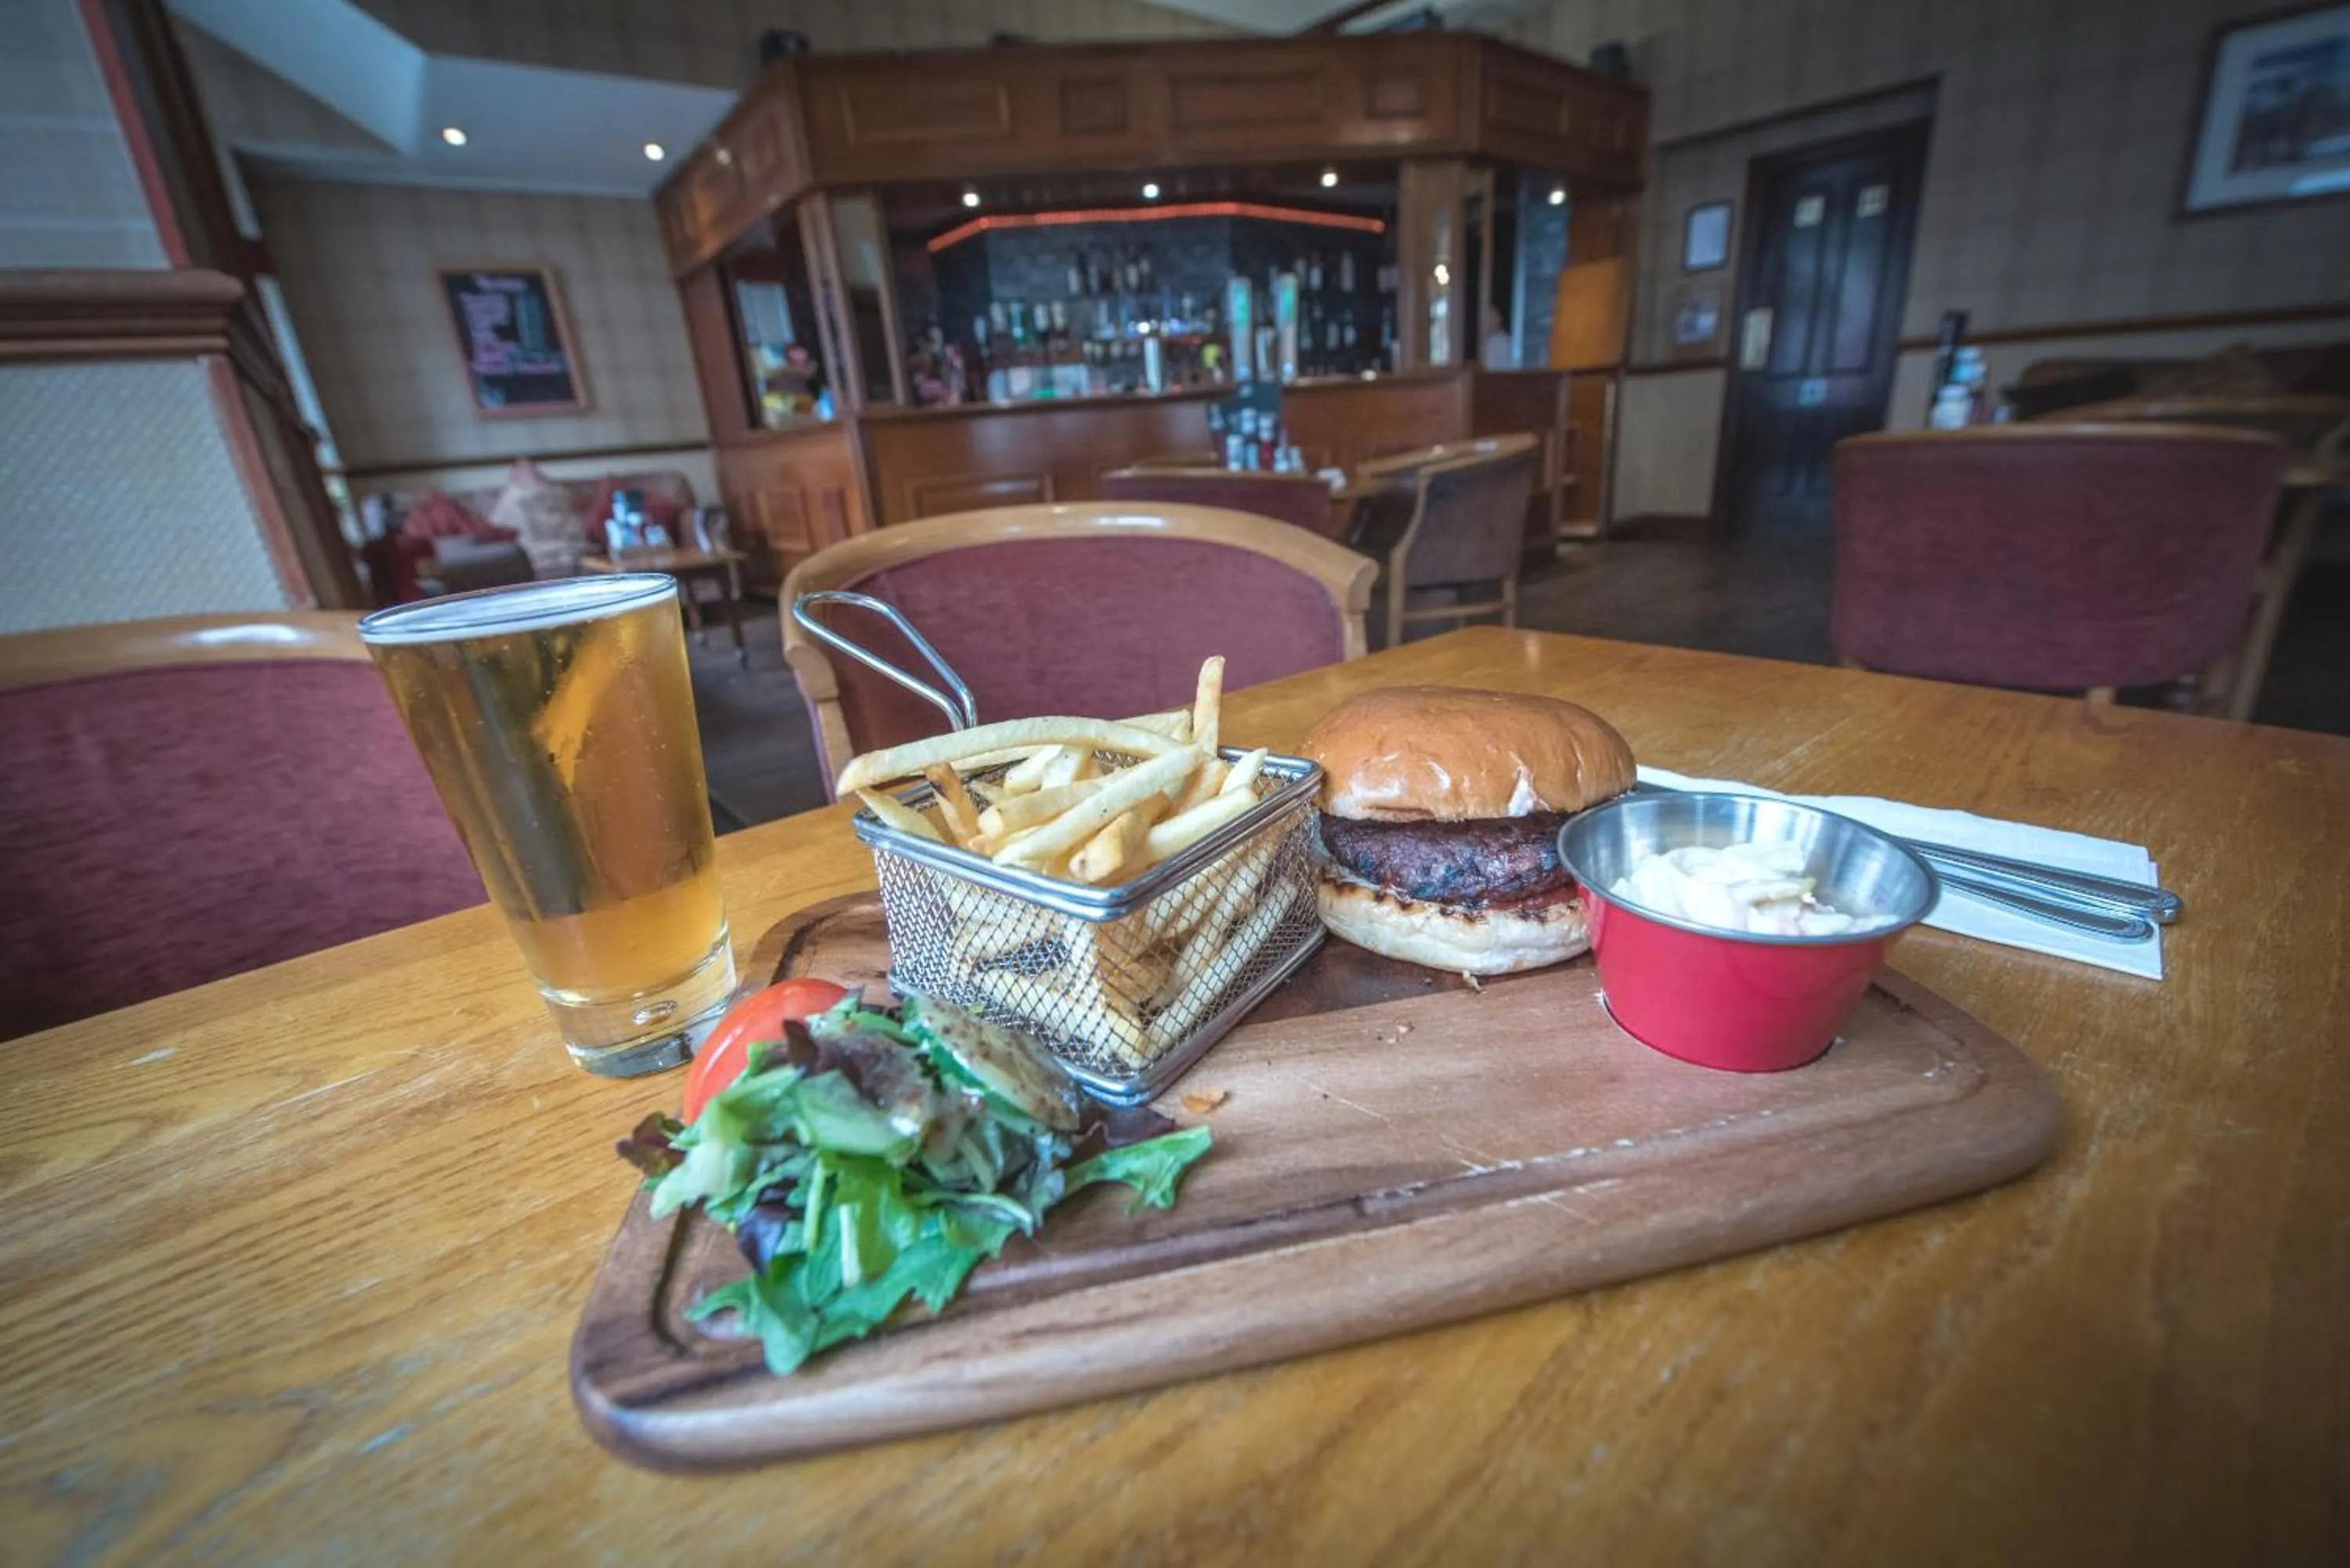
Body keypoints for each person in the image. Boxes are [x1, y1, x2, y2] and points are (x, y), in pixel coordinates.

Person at [1480, 304, 1515, 370]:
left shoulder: (1500, 340)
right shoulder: (1490, 342)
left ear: (1499, 318)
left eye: (1491, 317)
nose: (1487, 321)